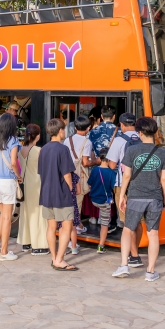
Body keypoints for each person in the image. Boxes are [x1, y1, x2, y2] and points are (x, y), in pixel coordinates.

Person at [112, 116, 165, 281]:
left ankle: (124, 265)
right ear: (155, 132)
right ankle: (150, 272)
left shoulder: (131, 150)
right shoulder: (162, 152)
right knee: (153, 234)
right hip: (155, 198)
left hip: (135, 197)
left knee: (127, 229)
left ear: (139, 133)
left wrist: (123, 195)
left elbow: (126, 176)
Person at [38, 118, 77, 271]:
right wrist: (70, 188)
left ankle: (54, 257)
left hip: (46, 192)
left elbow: (41, 172)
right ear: (60, 130)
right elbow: (67, 174)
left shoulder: (44, 149)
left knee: (51, 226)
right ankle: (60, 260)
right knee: (67, 225)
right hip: (61, 192)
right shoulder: (63, 149)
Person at [106, 112, 143, 267]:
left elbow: (112, 165)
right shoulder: (144, 138)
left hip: (124, 185)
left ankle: (134, 256)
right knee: (139, 222)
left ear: (121, 125)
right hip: (142, 184)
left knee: (128, 222)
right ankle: (135, 251)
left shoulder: (120, 140)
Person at [0, 113, 21, 261]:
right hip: (7, 181)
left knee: (2, 215)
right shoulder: (13, 141)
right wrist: (18, 175)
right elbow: (14, 162)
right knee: (7, 217)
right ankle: (4, 252)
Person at [16, 124, 49, 256]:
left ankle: (26, 242)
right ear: (38, 135)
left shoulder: (20, 150)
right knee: (38, 214)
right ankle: (39, 245)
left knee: (26, 213)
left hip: (24, 184)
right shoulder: (38, 150)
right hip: (36, 184)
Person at [64, 116, 94, 251]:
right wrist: (97, 161)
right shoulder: (87, 142)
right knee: (77, 205)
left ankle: (76, 227)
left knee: (69, 204)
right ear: (89, 128)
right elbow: (86, 162)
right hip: (79, 177)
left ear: (75, 127)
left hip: (67, 176)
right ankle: (74, 236)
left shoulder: (67, 140)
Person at [87, 149, 117, 253]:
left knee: (100, 213)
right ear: (109, 159)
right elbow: (113, 187)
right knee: (105, 224)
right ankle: (101, 246)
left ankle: (95, 218)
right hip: (105, 201)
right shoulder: (111, 173)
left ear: (100, 158)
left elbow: (89, 184)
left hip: (94, 200)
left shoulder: (95, 170)